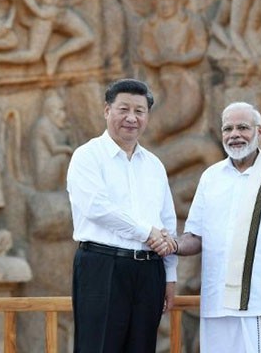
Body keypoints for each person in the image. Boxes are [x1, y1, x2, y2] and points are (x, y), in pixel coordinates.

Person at [152, 101, 261, 352]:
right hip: (217, 307)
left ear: (260, 131)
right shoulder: (211, 177)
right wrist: (171, 244)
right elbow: (195, 237)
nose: (234, 134)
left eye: (243, 127)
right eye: (228, 129)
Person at [66, 78, 177, 353]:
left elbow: (167, 222)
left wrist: (169, 275)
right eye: (123, 109)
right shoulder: (87, 156)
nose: (131, 118)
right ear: (107, 110)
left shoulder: (154, 165)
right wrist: (147, 233)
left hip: (149, 272)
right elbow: (96, 207)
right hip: (103, 266)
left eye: (139, 111)